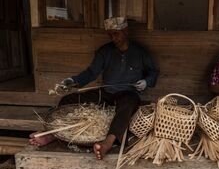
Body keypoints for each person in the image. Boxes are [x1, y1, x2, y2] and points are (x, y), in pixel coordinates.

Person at [29, 17, 159, 159]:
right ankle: (53, 134)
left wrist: (146, 82)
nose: (113, 38)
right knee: (68, 100)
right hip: (106, 94)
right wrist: (72, 81)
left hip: (127, 94)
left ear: (126, 31)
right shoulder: (105, 51)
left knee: (128, 106)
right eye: (110, 35)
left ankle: (107, 144)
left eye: (116, 34)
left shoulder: (140, 52)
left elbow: (153, 71)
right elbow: (91, 73)